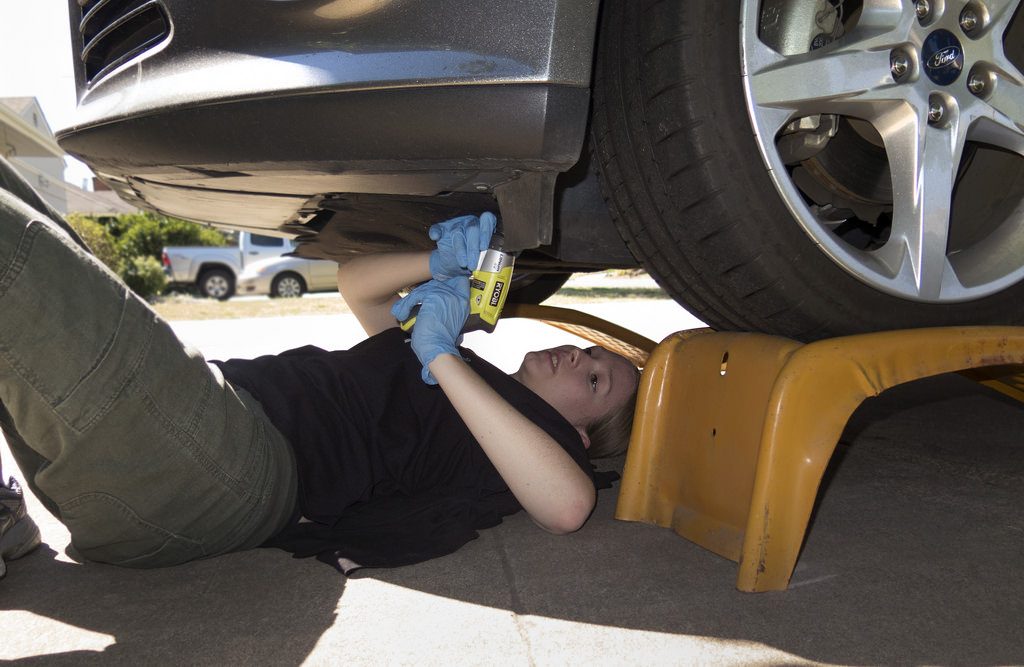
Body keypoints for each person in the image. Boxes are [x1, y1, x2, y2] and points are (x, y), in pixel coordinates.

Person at [0, 154, 639, 576]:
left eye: (594, 380)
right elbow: (357, 284)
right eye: (590, 352)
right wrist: (438, 265)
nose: (577, 356)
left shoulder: (527, 437)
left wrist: (441, 352)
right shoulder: (468, 380)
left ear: (580, 436)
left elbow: (567, 505)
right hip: (200, 423)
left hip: (232, 470)